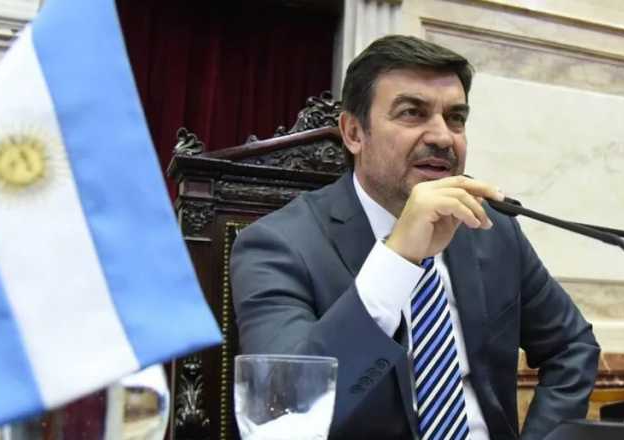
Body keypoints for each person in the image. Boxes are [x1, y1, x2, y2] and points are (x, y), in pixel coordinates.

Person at [230, 35, 599, 440]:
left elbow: (572, 347)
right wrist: (398, 258)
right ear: (353, 132)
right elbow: (284, 410)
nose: (442, 137)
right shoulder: (276, 245)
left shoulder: (489, 228)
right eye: (412, 113)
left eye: (455, 118)